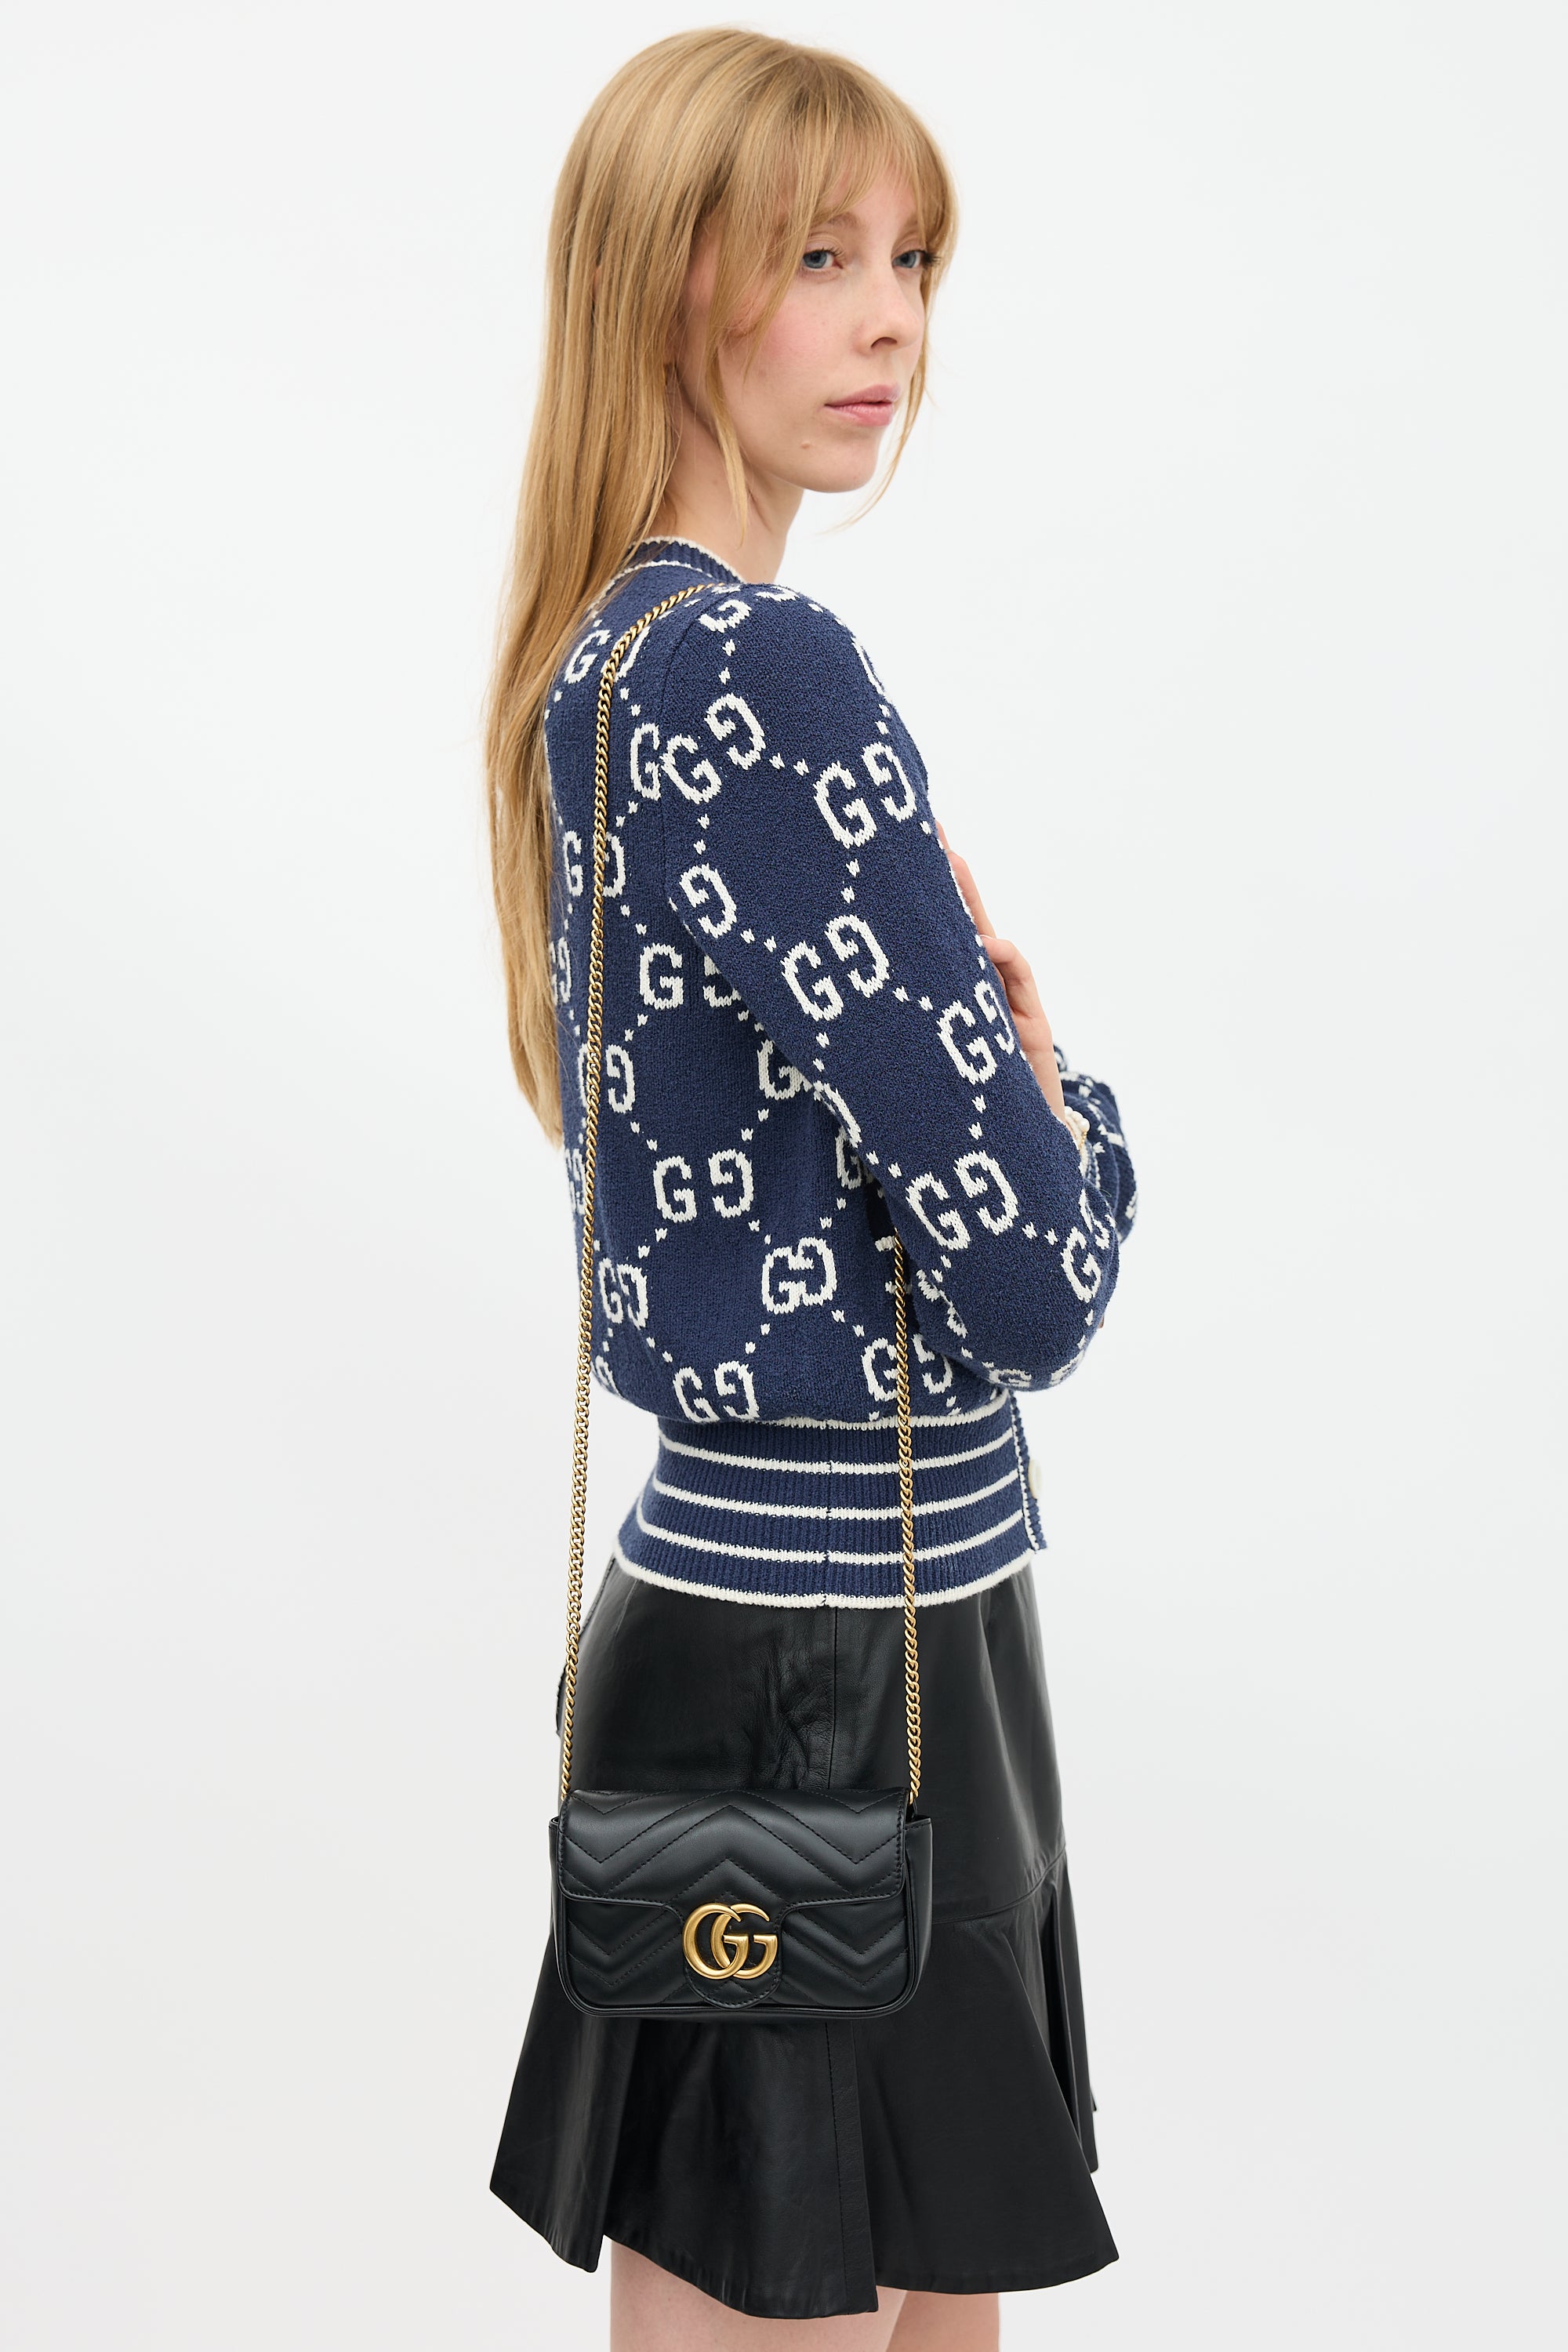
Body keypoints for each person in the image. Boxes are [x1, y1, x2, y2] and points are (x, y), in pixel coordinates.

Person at [482, 29, 1137, 2350]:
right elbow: (1039, 1278)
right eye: (824, 259)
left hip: (845, 1627)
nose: (893, 324)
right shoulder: (757, 673)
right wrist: (1073, 1100)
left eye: (915, 262)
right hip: (831, 1660)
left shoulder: (609, 667)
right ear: (673, 282)